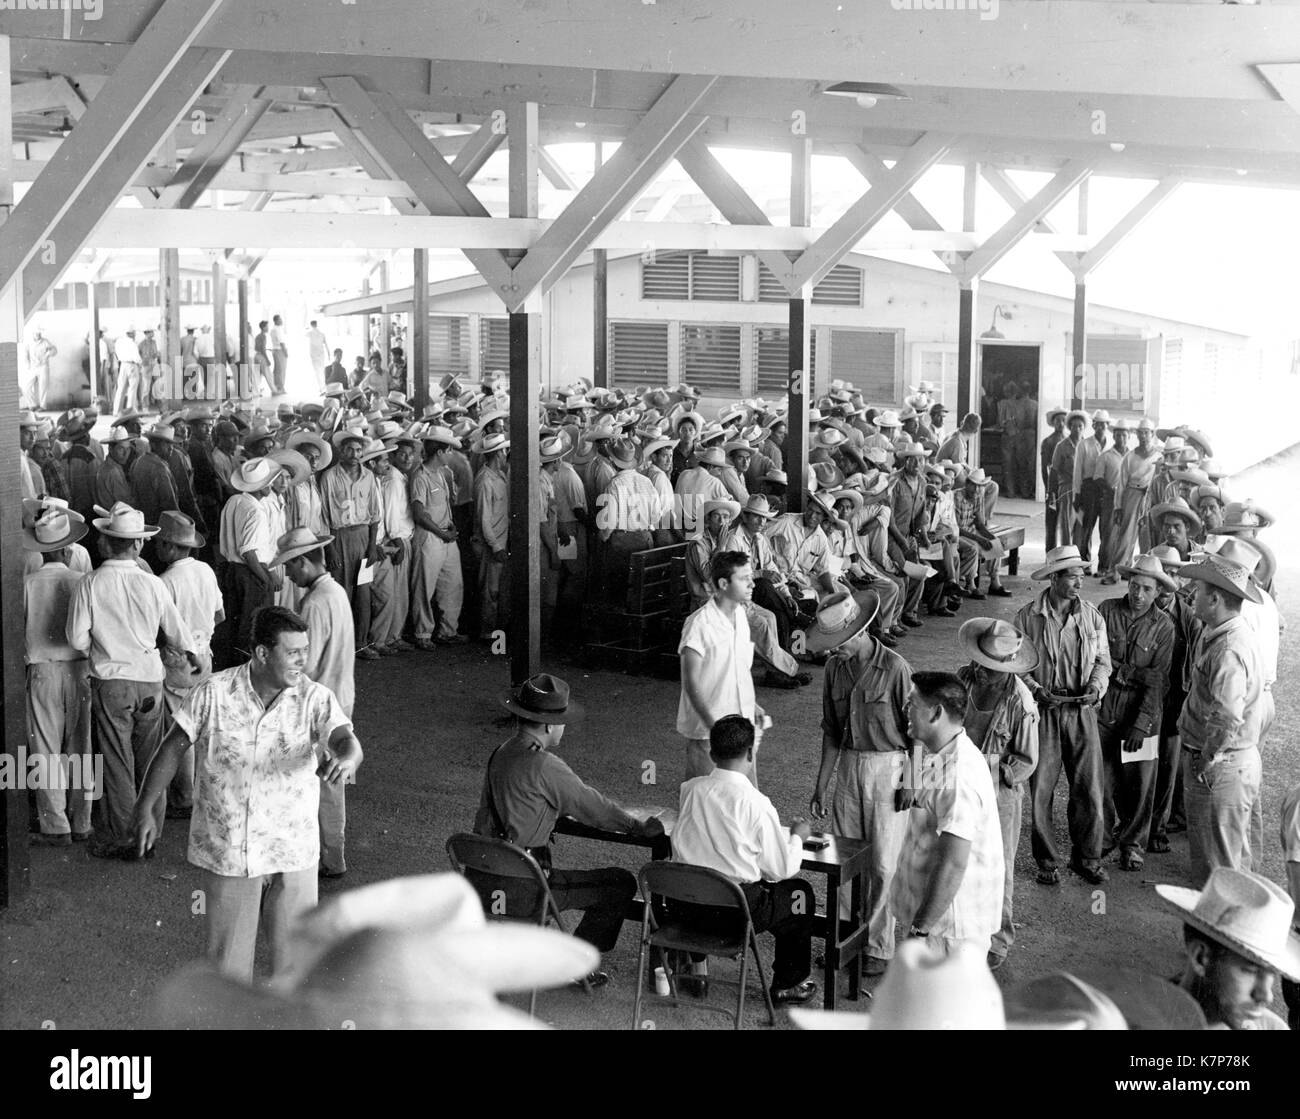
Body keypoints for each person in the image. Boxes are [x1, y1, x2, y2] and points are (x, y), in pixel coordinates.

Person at [133, 606, 362, 982]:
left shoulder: (314, 698)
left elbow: (345, 739)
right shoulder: (215, 692)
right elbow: (173, 747)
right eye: (293, 653)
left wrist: (348, 757)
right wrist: (145, 806)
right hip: (230, 847)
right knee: (228, 969)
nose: (302, 661)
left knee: (295, 967)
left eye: (305, 651)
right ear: (262, 654)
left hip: (291, 848)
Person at [471, 673, 662, 987]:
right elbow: (595, 808)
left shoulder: (500, 754)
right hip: (525, 888)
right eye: (562, 721)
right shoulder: (544, 765)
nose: (563, 727)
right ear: (548, 725)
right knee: (619, 883)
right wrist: (637, 826)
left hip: (481, 881)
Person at [66, 502, 198, 859]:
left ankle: (126, 838)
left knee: (116, 762)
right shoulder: (153, 583)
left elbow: (76, 638)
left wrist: (101, 645)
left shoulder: (90, 583)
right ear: (139, 544)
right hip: (150, 680)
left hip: (111, 682)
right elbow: (178, 634)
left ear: (105, 542)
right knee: (151, 759)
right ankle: (149, 834)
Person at [673, 714, 818, 1007]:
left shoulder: (690, 791)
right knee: (800, 894)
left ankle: (695, 966)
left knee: (703, 876)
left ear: (712, 754)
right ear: (751, 752)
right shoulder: (757, 804)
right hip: (734, 918)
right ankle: (788, 983)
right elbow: (780, 870)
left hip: (683, 911)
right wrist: (797, 838)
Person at [809, 589, 912, 976]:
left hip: (890, 768)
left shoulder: (896, 668)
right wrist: (821, 783)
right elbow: (831, 732)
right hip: (849, 769)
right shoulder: (835, 671)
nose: (830, 651)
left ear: (858, 632)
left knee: (885, 863)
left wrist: (914, 782)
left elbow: (918, 732)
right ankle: (844, 942)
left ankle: (878, 947)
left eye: (836, 644)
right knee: (845, 861)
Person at [1014, 544, 1112, 886]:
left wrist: (1097, 688)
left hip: (1082, 710)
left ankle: (1087, 857)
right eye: (1072, 576)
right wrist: (1034, 689)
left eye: (1081, 576)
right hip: (1044, 711)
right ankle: (1047, 861)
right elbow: (1016, 664)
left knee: (1089, 788)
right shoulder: (1028, 617)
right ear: (1054, 578)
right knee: (1042, 788)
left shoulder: (1091, 617)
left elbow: (1103, 661)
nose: (1079, 583)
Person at [890, 671, 1005, 957]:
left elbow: (953, 862)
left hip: (947, 933)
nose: (904, 710)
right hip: (938, 925)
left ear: (936, 713)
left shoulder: (958, 775)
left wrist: (919, 930)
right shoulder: (941, 754)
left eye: (911, 704)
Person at [955, 619, 1039, 970]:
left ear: (1006, 668)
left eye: (989, 668)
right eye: (979, 662)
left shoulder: (1021, 701)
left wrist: (996, 770)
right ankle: (963, 932)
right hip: (959, 781)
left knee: (998, 865)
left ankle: (998, 941)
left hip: (999, 790)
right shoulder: (962, 680)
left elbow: (1026, 760)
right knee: (958, 857)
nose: (981, 671)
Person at [1177, 550, 1264, 884]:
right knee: (1232, 858)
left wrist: (1206, 757)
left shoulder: (1227, 648)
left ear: (1213, 599)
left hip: (1221, 766)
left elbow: (1227, 717)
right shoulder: (1227, 635)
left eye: (1196, 590)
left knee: (1218, 869)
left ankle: (1221, 933)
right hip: (1234, 763)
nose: (1191, 595)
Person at [276, 528, 355, 881]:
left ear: (304, 562)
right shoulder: (335, 592)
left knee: (323, 783)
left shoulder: (314, 603)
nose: (289, 575)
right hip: (342, 694)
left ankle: (329, 856)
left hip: (320, 704)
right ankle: (331, 853)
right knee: (332, 780)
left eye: (290, 568)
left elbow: (303, 664)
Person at [1097, 553, 1175, 873]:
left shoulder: (1164, 627)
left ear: (1158, 592)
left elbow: (1158, 682)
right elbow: (1096, 660)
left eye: (1146, 589)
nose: (1138, 594)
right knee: (1099, 778)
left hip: (1144, 710)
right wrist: (1132, 672)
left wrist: (1142, 725)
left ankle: (1133, 844)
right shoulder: (1105, 611)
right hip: (1106, 705)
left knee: (1141, 781)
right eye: (1134, 585)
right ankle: (1101, 839)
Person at [23, 505, 93, 845]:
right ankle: (82, 821)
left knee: (45, 749)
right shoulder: (83, 581)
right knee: (82, 746)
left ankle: (56, 825)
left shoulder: (27, 584)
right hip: (80, 670)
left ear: (40, 550)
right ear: (68, 549)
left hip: (42, 672)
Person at [1158, 866, 1298, 1030]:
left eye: (1272, 974)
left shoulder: (1271, 1027)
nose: (1266, 996)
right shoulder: (1136, 1020)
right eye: (1251, 970)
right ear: (1201, 958)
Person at [156, 511, 223, 821]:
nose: (156, 547)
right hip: (205, 654)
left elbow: (159, 627)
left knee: (177, 728)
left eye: (160, 542)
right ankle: (200, 790)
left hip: (177, 660)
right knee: (201, 724)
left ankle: (183, 797)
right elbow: (220, 614)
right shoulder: (206, 570)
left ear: (171, 547)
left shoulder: (165, 581)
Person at [677, 551, 764, 785]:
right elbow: (690, 682)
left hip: (740, 729)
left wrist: (751, 704)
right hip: (709, 734)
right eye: (744, 578)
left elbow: (737, 669)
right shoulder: (699, 624)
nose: (752, 583)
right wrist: (713, 727)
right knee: (706, 801)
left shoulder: (740, 615)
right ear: (724, 583)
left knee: (745, 799)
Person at [215, 456, 285, 667]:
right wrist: (266, 578)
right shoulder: (256, 511)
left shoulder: (234, 501)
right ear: (261, 485)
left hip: (231, 569)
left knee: (235, 625)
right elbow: (249, 552)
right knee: (252, 627)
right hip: (250, 572)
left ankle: (233, 666)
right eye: (269, 482)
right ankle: (247, 669)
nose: (271, 486)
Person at [321, 427, 383, 648]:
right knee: (341, 592)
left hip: (363, 537)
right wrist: (331, 549)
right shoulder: (329, 477)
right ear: (341, 451)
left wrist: (372, 546)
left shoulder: (369, 477)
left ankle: (361, 643)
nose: (355, 455)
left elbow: (375, 515)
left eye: (358, 450)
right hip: (339, 537)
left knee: (363, 594)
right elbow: (326, 517)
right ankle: (341, 646)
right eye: (350, 450)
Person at [471, 430, 510, 640]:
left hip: (498, 541)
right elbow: (483, 519)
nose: (506, 454)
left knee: (495, 591)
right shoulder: (485, 480)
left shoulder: (500, 475)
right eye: (504, 451)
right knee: (490, 591)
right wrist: (496, 546)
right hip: (490, 543)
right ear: (499, 453)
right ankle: (487, 633)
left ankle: (493, 632)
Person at [1071, 409, 1111, 572]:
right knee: (1086, 528)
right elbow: (1077, 471)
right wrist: (1077, 495)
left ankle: (1103, 566)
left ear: (1107, 425)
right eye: (1098, 424)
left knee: (1105, 529)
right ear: (1093, 425)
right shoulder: (1084, 444)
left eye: (1104, 424)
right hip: (1088, 490)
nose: (1101, 427)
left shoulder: (1111, 445)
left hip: (1106, 490)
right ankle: (1084, 564)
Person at [26, 327, 58, 410]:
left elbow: (54, 350)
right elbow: (26, 354)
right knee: (27, 386)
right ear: (33, 334)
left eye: (39, 333)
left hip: (43, 367)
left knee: (43, 387)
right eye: (36, 333)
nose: (38, 335)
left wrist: (48, 354)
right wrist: (28, 365)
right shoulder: (29, 342)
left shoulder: (45, 342)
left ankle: (43, 406)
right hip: (33, 367)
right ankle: (32, 405)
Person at [306, 321, 328, 392]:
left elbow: (303, 333)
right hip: (321, 354)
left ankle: (321, 386)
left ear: (311, 325)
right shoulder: (322, 334)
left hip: (314, 355)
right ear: (316, 324)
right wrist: (329, 353)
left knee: (317, 371)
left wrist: (307, 328)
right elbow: (326, 344)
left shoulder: (309, 333)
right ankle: (323, 385)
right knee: (322, 370)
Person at [270, 314, 288, 395]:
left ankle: (277, 387)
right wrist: (285, 352)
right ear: (276, 321)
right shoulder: (278, 329)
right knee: (281, 370)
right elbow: (281, 342)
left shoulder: (273, 329)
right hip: (280, 350)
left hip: (275, 350)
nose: (282, 321)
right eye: (280, 319)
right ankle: (281, 388)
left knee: (277, 370)